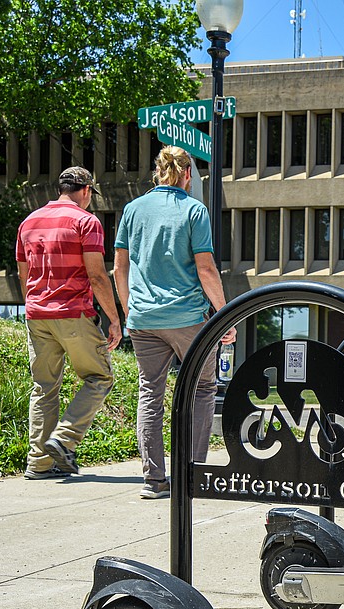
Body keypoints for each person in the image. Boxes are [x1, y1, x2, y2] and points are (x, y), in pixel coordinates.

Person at [114, 146, 236, 500]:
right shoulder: (194, 210)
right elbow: (206, 268)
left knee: (150, 392)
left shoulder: (133, 209)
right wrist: (224, 314)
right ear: (186, 175)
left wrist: (128, 311)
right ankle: (193, 475)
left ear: (158, 172)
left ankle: (154, 481)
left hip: (142, 319)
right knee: (201, 388)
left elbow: (119, 268)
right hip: (187, 318)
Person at [16, 166, 122, 479]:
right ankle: (63, 439)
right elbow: (97, 275)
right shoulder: (86, 221)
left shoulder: (29, 222)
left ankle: (39, 463)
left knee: (44, 388)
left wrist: (35, 305)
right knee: (100, 377)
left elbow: (25, 274)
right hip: (73, 311)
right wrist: (114, 319)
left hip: (37, 314)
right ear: (87, 190)